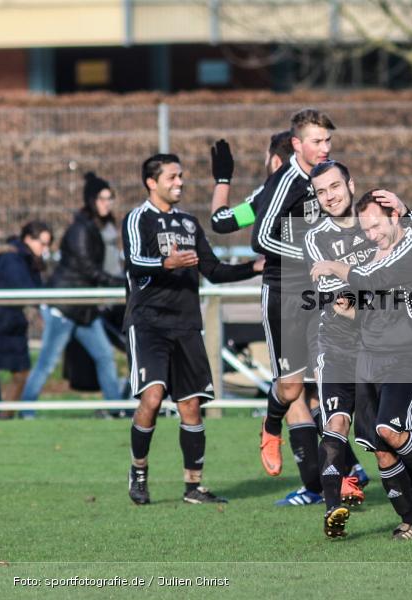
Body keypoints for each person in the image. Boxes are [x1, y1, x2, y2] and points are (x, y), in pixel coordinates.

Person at [207, 130, 368, 505]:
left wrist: (223, 180)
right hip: (286, 297)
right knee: (296, 390)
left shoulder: (307, 186)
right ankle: (326, 477)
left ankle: (336, 476)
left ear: (275, 160)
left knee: (325, 386)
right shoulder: (272, 193)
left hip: (322, 293)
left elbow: (222, 219)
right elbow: (225, 222)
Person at [311, 191, 412, 541]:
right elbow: (367, 296)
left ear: (394, 217)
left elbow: (371, 278)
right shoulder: (377, 253)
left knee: (390, 430)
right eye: (366, 228)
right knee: (381, 448)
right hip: (368, 358)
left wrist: (333, 266)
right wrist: (350, 309)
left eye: (376, 224)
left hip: (406, 356)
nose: (371, 233)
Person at [123, 153, 264, 505]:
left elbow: (214, 270)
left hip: (185, 324)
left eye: (181, 176)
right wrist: (166, 263)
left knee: (191, 407)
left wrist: (255, 267)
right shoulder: (138, 219)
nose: (180, 182)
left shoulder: (188, 223)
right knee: (152, 398)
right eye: (172, 177)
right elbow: (134, 260)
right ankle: (138, 470)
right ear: (151, 182)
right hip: (148, 322)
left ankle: (193, 487)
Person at [305, 161, 412, 537]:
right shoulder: (316, 237)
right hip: (336, 345)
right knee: (335, 424)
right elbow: (337, 299)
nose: (330, 195)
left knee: (382, 442)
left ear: (350, 184)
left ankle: (410, 517)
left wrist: (405, 210)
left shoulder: (375, 221)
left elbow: (410, 251)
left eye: (335, 186)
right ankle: (333, 509)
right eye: (321, 191)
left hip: (378, 349)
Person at [20, 173, 126, 417]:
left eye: (110, 198)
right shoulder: (80, 229)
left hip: (84, 309)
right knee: (47, 364)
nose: (107, 203)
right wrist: (120, 283)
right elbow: (89, 269)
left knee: (105, 357)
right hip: (65, 307)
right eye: (102, 198)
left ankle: (116, 410)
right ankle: (26, 412)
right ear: (91, 200)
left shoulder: (100, 228)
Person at [0, 222, 53, 418]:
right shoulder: (13, 259)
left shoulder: (26, 259)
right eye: (43, 243)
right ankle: (5, 417)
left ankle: (5, 417)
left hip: (11, 324)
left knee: (21, 373)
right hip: (5, 323)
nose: (45, 249)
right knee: (20, 373)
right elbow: (25, 290)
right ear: (28, 239)